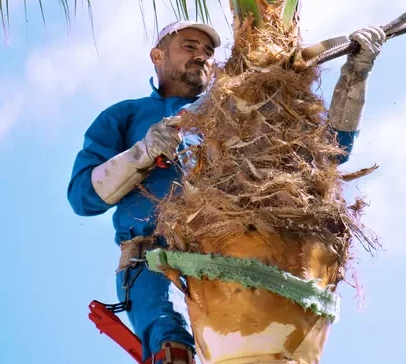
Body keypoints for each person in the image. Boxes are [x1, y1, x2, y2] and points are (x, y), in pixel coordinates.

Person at [67, 20, 386, 364]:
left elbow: (330, 150)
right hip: (154, 253)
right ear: (157, 55)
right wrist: (141, 154)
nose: (202, 56)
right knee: (170, 345)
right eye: (189, 46)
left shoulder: (234, 106)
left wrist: (356, 73)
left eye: (208, 51)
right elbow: (84, 197)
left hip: (236, 247)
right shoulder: (124, 116)